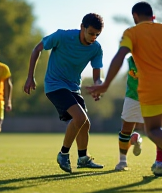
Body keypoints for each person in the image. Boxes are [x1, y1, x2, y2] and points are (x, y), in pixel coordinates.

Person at [87, 1, 162, 182]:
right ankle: (159, 164)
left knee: (152, 130)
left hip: (153, 87)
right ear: (153, 17)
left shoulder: (131, 33)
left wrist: (106, 84)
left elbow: (120, 56)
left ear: (135, 16)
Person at [23, 13, 105, 174]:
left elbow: (97, 75)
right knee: (79, 118)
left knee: (85, 123)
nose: (93, 37)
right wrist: (30, 77)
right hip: (55, 85)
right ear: (82, 27)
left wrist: (98, 86)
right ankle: (63, 154)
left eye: (97, 34)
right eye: (91, 33)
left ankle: (83, 158)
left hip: (73, 87)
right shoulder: (62, 36)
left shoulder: (96, 48)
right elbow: (37, 49)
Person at [115, 55, 162, 176]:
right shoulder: (130, 59)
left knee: (154, 130)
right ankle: (122, 161)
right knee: (126, 129)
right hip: (132, 97)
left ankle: (159, 162)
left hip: (151, 98)